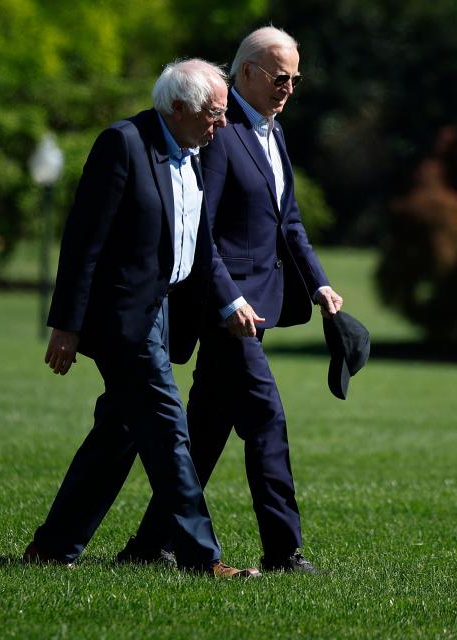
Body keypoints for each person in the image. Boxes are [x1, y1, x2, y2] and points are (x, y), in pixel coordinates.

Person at [22, 59, 259, 578]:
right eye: (213, 114)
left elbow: (195, 246)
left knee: (119, 431)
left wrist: (226, 303)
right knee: (169, 429)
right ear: (176, 107)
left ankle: (53, 546)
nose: (221, 125)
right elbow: (84, 240)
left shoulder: (194, 151)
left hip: (164, 315)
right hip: (121, 320)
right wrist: (66, 324)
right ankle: (203, 558)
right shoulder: (122, 144)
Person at [121, 27, 342, 574]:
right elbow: (202, 233)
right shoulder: (218, 131)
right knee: (266, 417)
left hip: (257, 311)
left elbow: (288, 221)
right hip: (227, 313)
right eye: (280, 77)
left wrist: (318, 284)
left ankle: (153, 542)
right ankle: (284, 551)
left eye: (295, 78)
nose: (289, 87)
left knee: (205, 429)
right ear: (247, 72)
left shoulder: (275, 132)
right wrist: (227, 302)